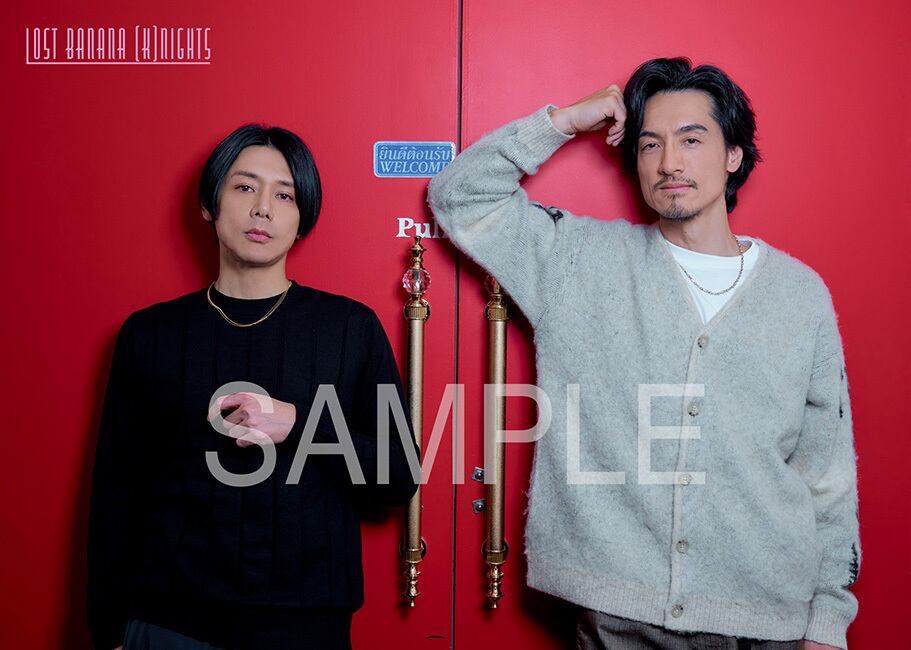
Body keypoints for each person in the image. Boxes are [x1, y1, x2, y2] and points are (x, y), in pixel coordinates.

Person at [427, 57, 860, 649]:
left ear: (734, 155)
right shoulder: (578, 260)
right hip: (620, 618)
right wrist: (561, 122)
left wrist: (829, 619)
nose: (669, 162)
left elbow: (827, 472)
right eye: (650, 144)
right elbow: (460, 197)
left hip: (767, 619)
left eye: (691, 139)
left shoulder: (799, 294)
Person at [86, 124, 419, 650]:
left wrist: (301, 424)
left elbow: (399, 477)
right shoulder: (149, 335)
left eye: (284, 195)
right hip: (168, 621)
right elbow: (116, 494)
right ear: (208, 204)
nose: (263, 209)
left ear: (302, 218)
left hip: (304, 626)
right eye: (245, 187)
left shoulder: (350, 328)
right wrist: (109, 629)